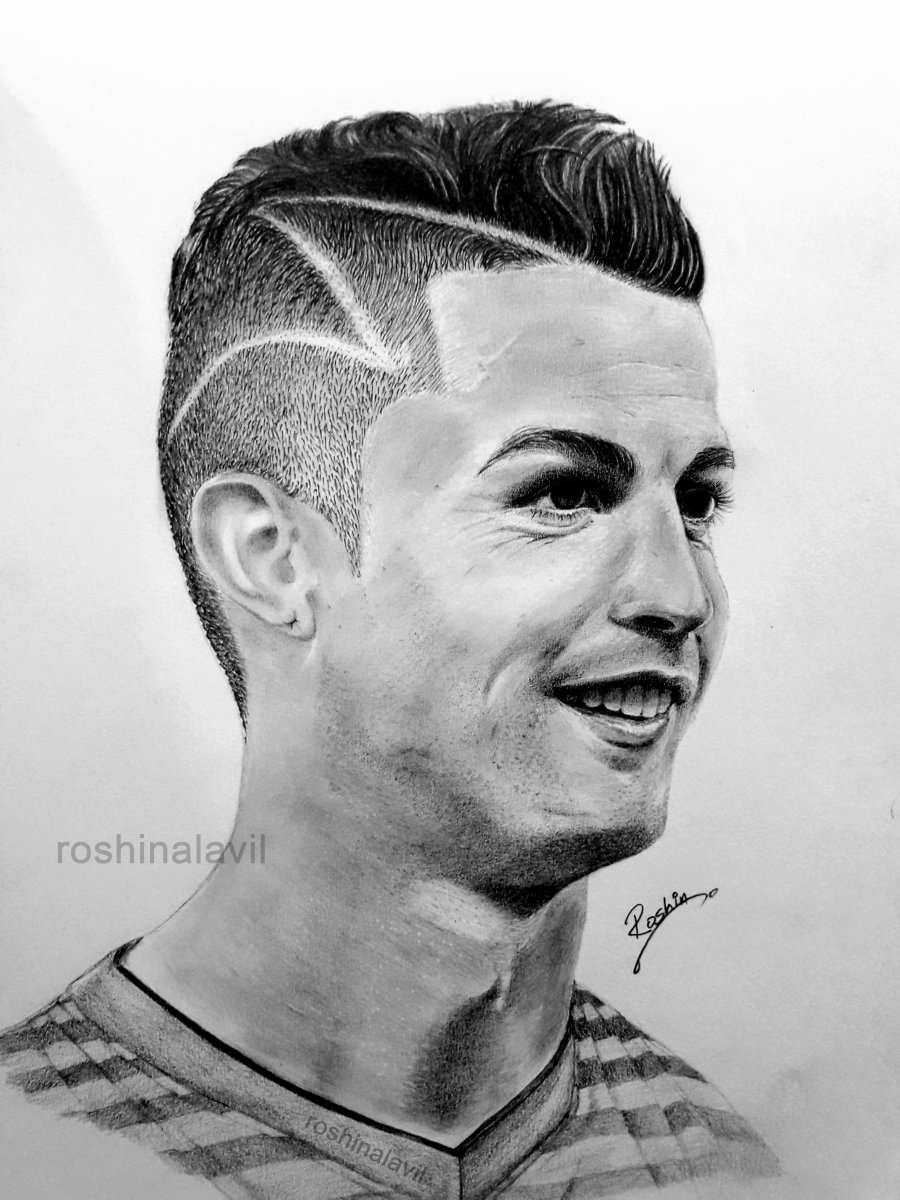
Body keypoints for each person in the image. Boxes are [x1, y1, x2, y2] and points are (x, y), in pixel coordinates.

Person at [0, 101, 779, 1198]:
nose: (679, 594)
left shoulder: (724, 1161)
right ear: (272, 559)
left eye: (696, 503)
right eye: (562, 494)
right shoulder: (43, 1148)